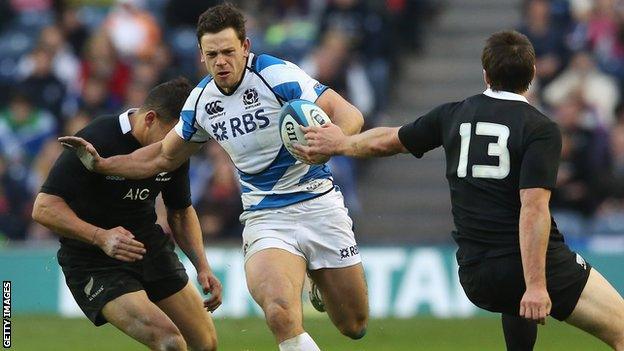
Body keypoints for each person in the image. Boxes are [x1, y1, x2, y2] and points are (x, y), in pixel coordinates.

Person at [58, 3, 369, 351]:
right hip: (266, 216)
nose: (221, 61)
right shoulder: (201, 102)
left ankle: (317, 280)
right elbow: (162, 155)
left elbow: (349, 114)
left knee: (353, 325)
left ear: (246, 48)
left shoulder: (277, 76)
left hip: (317, 201)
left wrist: (336, 140)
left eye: (228, 52)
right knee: (280, 313)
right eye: (212, 54)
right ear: (202, 56)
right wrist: (103, 165)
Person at [293, 30, 624, 351]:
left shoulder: (454, 114)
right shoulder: (540, 128)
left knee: (513, 294)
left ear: (485, 74)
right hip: (529, 265)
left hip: (476, 273)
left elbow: (388, 141)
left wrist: (342, 143)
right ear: (533, 74)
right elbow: (533, 208)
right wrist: (536, 286)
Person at [33, 78, 221, 351]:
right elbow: (44, 207)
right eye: (173, 135)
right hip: (93, 261)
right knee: (169, 342)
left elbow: (180, 212)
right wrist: (100, 237)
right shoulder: (98, 137)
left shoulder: (177, 147)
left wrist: (202, 267)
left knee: (206, 344)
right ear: (150, 119)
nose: (177, 144)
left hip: (149, 248)